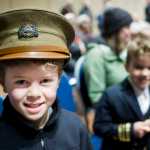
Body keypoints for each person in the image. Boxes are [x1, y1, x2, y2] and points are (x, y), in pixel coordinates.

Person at [0, 9, 92, 150]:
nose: (34, 93)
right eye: (21, 82)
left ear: (59, 80)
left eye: (45, 81)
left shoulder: (76, 129)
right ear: (3, 82)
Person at [94, 29, 150, 149]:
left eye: (149, 68)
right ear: (126, 66)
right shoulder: (111, 95)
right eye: (139, 67)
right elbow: (99, 127)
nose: (145, 73)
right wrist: (131, 129)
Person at [82, 7, 133, 133]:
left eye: (129, 27)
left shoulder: (124, 52)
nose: (129, 32)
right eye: (124, 28)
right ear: (113, 31)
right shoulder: (96, 55)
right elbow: (97, 98)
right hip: (113, 121)